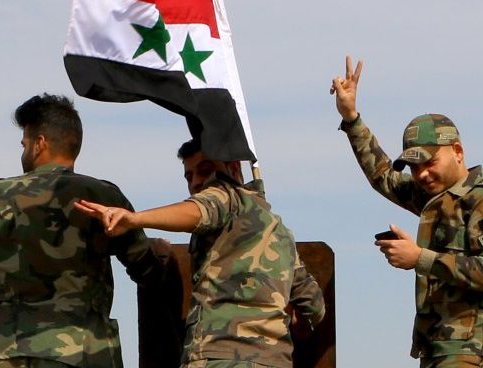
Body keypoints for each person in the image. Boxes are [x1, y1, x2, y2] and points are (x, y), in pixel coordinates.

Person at [0, 93, 164, 368]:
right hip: (79, 355)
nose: (23, 152)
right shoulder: (104, 198)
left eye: (24, 144)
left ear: (39, 144)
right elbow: (148, 271)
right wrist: (161, 251)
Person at [330, 56, 483, 368]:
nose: (421, 174)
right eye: (414, 167)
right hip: (437, 349)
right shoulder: (434, 200)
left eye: (429, 163)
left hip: (473, 351)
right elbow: (382, 175)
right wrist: (351, 118)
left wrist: (418, 257)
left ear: (457, 152)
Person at [75, 139, 326, 368]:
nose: (196, 181)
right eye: (189, 176)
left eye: (205, 171)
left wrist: (135, 219)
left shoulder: (225, 195)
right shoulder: (279, 231)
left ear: (233, 169)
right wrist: (295, 327)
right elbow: (314, 306)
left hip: (218, 358)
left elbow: (200, 210)